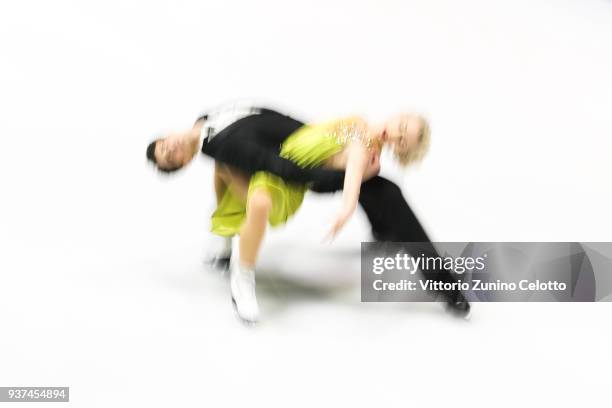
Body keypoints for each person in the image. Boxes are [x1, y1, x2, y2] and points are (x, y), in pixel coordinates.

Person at [146, 103, 471, 322]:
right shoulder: (214, 141)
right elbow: (270, 157)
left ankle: (440, 279)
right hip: (300, 168)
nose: (395, 134)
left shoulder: (214, 119)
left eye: (403, 137)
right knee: (236, 174)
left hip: (317, 160)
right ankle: (230, 253)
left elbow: (289, 125)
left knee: (385, 192)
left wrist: (348, 180)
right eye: (400, 127)